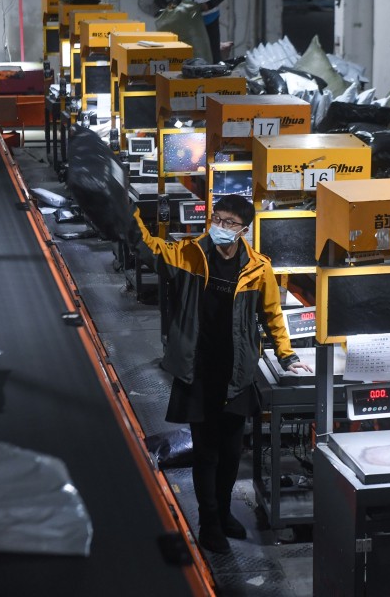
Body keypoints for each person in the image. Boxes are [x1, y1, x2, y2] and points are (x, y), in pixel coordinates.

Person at [127, 194, 312, 554]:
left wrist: (287, 357)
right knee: (206, 454)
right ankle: (209, 523)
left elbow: (271, 315)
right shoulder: (189, 254)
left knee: (230, 453)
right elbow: (146, 247)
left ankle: (225, 513)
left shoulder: (259, 268)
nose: (219, 228)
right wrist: (127, 209)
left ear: (244, 229)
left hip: (237, 375)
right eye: (217, 219)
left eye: (228, 223)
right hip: (198, 372)